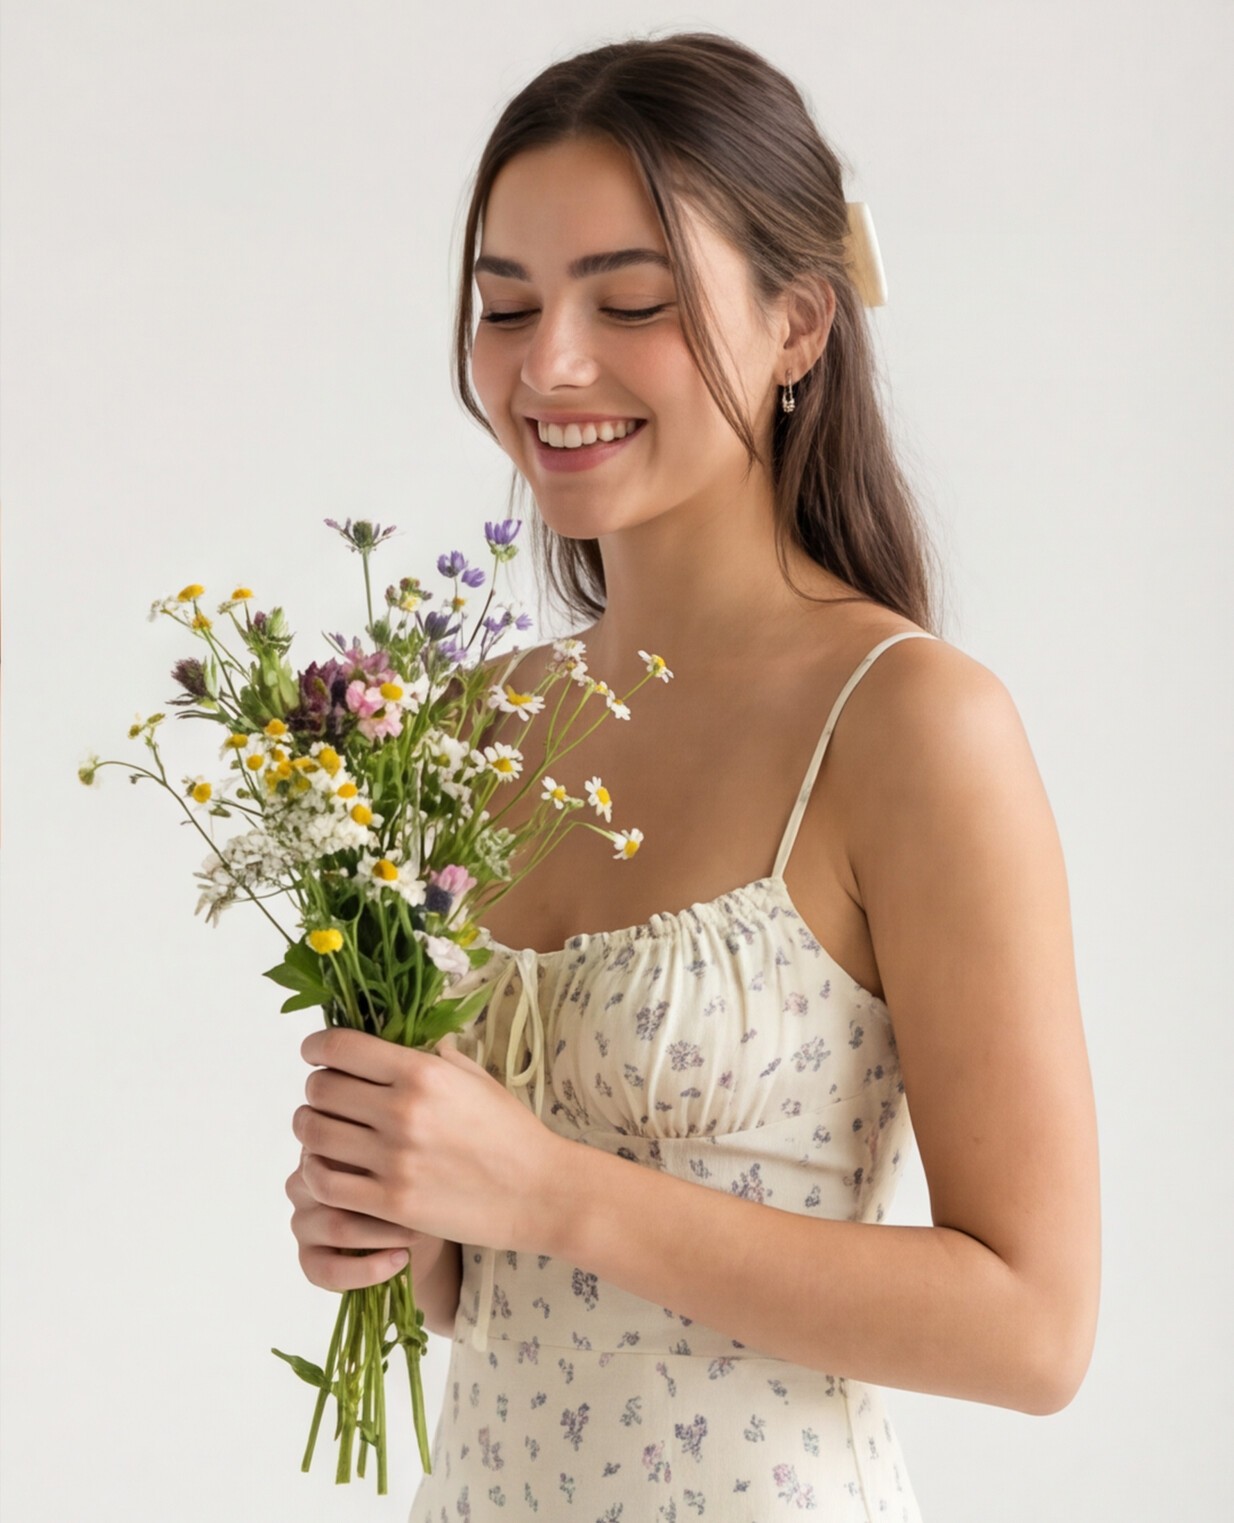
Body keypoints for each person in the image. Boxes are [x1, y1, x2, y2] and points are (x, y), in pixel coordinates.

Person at [285, 30, 1100, 1521]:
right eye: (506, 305)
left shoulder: (909, 723)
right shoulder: (468, 727)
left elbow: (1034, 1329)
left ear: (798, 323)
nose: (551, 366)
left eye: (635, 302)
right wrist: (392, 1220)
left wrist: (548, 1191)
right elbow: (482, 1292)